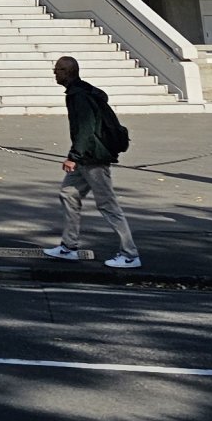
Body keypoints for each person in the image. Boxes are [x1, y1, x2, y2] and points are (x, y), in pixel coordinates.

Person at [44, 54, 140, 270]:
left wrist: (73, 157)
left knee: (108, 205)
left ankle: (130, 254)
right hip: (87, 157)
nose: (54, 73)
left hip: (93, 158)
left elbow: (85, 129)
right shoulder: (82, 91)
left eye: (57, 69)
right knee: (68, 194)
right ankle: (68, 246)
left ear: (67, 72)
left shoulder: (79, 96)